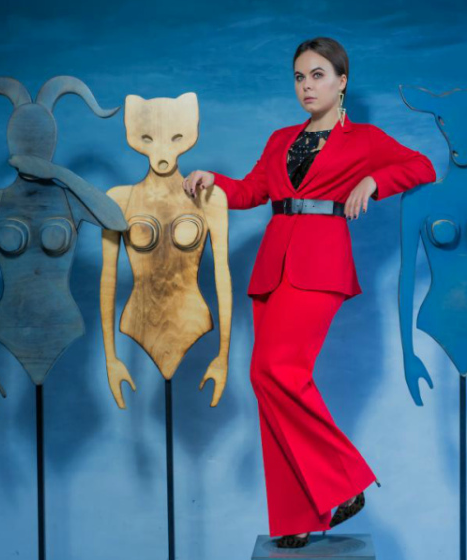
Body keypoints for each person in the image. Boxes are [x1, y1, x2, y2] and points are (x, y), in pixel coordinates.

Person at [182, 37, 436, 548]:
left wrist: (373, 181)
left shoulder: (364, 139)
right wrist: (214, 180)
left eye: (318, 75)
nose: (307, 86)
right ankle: (296, 517)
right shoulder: (281, 139)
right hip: (272, 267)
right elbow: (252, 191)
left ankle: (346, 479)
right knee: (264, 378)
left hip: (319, 265)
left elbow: (422, 166)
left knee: (282, 371)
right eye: (300, 77)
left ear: (342, 81)